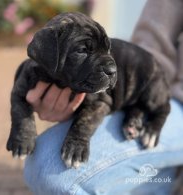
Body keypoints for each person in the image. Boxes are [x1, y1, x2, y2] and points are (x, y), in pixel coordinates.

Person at [24, 0, 183, 194]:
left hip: (168, 110)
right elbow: (151, 49)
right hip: (171, 98)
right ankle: (161, 177)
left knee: (58, 173)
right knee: (47, 166)